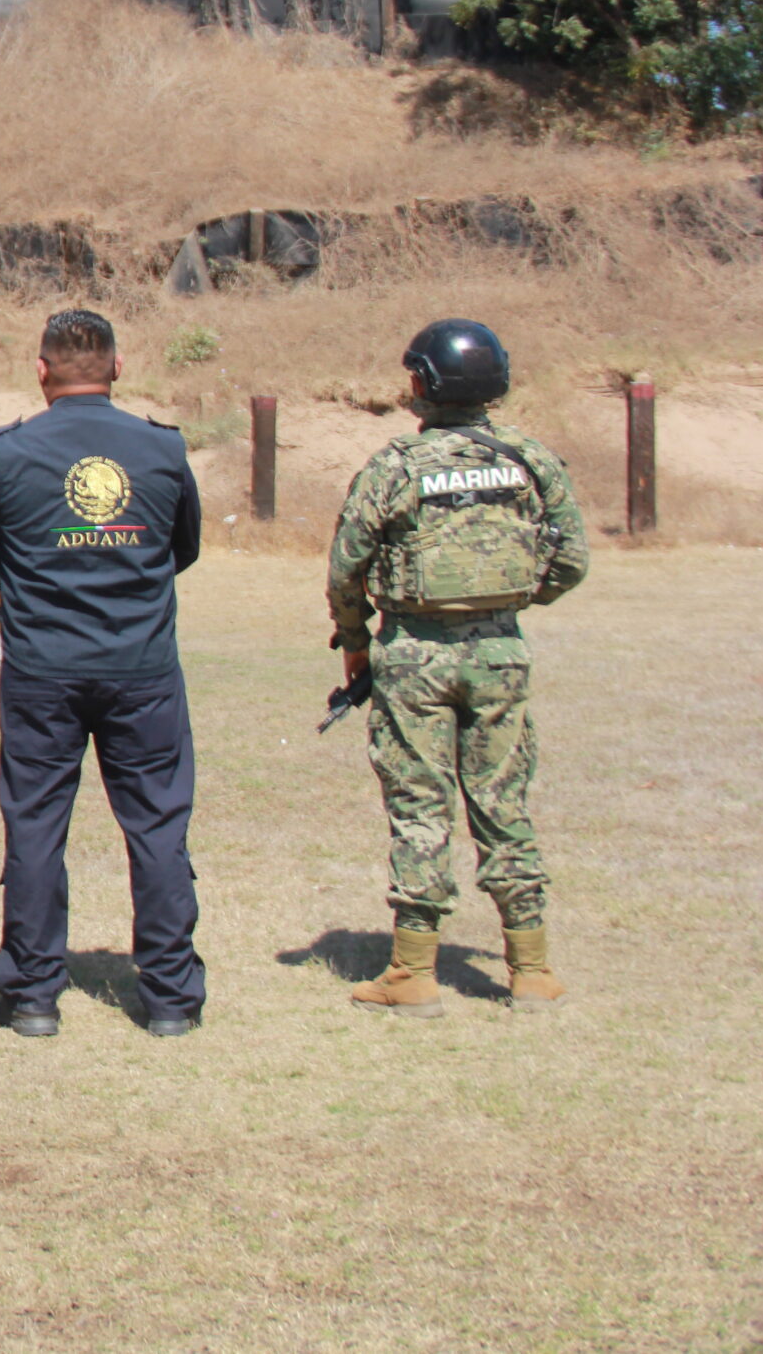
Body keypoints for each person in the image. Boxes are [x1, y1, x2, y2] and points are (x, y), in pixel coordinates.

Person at [327, 318, 589, 1017]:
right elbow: (571, 561)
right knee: (504, 802)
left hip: (411, 653)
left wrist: (356, 640)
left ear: (422, 385)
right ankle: (530, 969)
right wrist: (506, 606)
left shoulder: (394, 467)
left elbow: (346, 567)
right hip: (501, 653)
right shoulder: (531, 460)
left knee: (420, 807)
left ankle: (413, 972)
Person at [0, 309, 206, 1039]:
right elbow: (178, 546)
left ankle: (33, 994)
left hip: (43, 669)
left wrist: (42, 580)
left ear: (41, 372)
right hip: (142, 667)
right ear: (117, 367)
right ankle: (169, 998)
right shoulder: (161, 450)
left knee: (35, 827)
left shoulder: (10, 451)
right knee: (159, 827)